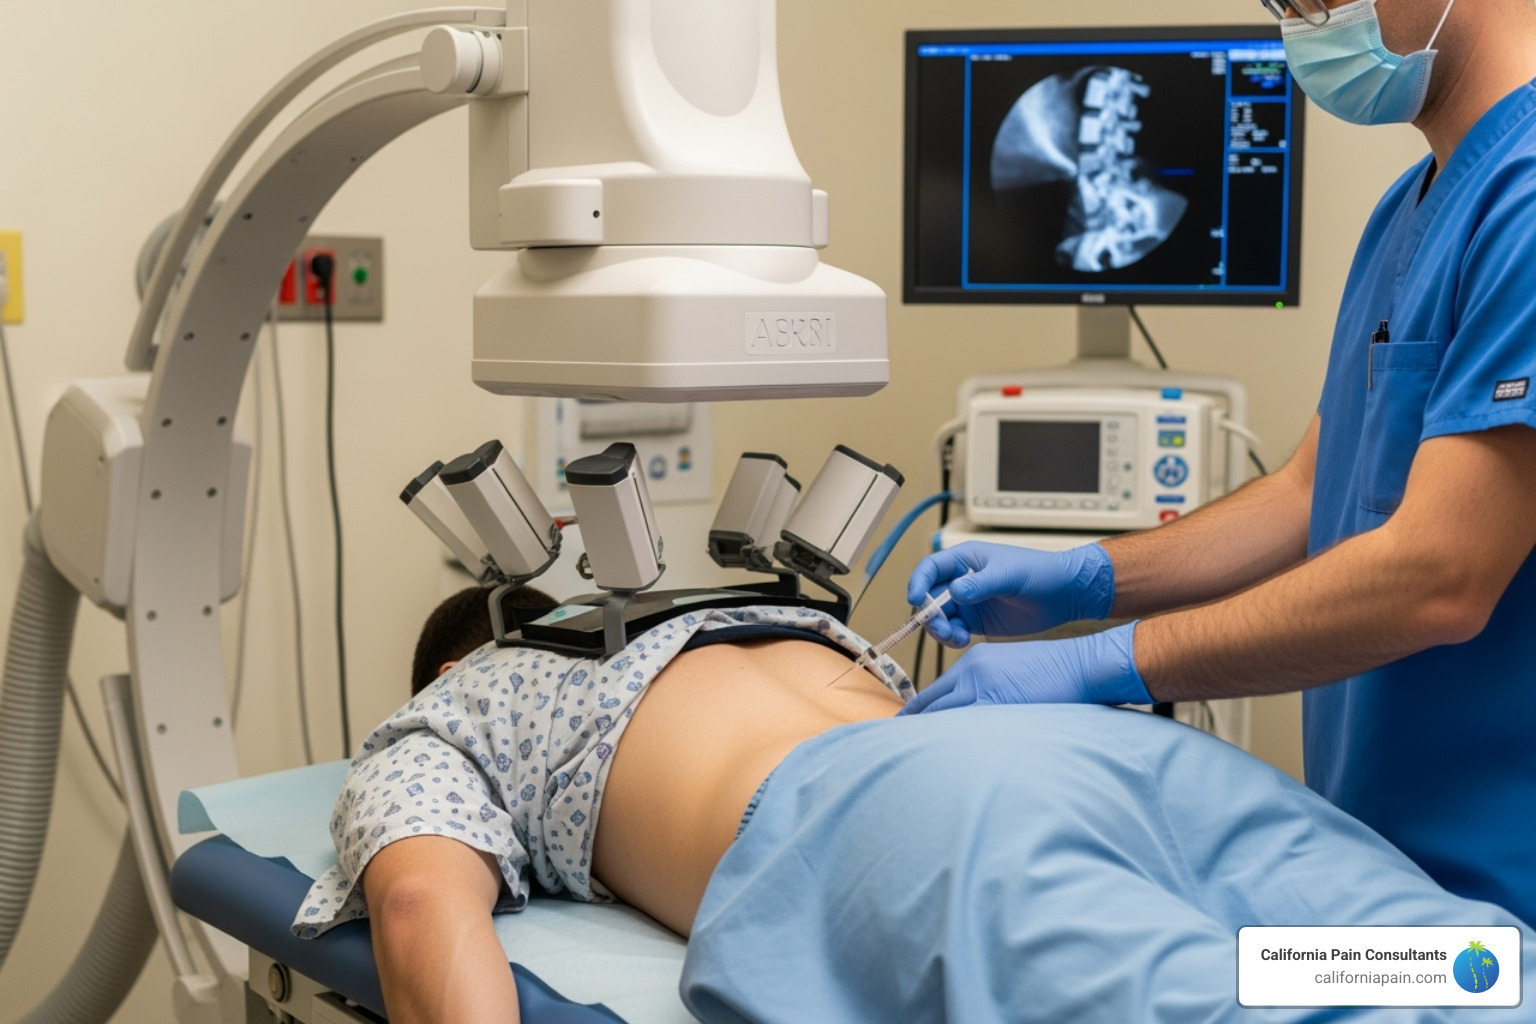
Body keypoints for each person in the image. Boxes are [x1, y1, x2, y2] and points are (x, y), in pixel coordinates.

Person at [903, 0, 1536, 928]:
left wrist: (1106, 663)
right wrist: (1087, 580)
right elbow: (1304, 493)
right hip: (1387, 876)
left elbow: (1439, 575)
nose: (1300, 22)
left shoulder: (1525, 195)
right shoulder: (1408, 210)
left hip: (1498, 916)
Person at [296, 586, 1531, 1024]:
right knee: (1451, 963)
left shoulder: (458, 709)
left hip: (901, 822)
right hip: (1100, 749)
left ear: (459, 661)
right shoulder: (752, 620)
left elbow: (415, 902)